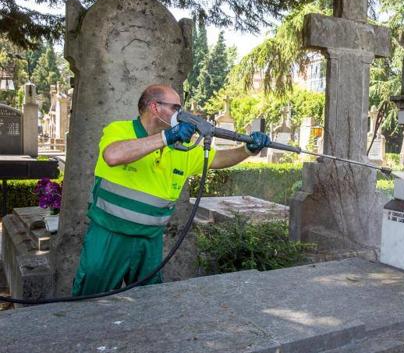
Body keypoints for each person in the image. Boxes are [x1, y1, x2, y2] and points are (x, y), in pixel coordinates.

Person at [72, 84, 271, 296]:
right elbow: (113, 155)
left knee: (149, 302)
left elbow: (219, 159)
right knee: (90, 300)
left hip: (149, 241)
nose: (181, 114)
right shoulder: (120, 130)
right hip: (109, 236)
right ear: (154, 107)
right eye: (176, 108)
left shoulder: (182, 148)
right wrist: (167, 137)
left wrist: (247, 150)